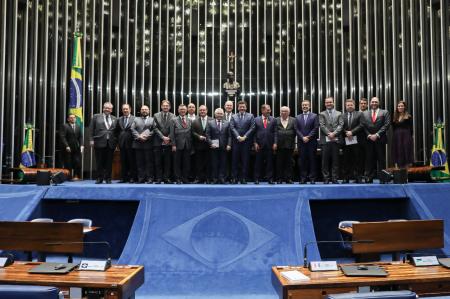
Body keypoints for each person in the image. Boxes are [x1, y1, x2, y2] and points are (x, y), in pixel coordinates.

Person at [361, 97, 391, 183]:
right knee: (369, 159)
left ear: (379, 103)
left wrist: (377, 135)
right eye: (372, 102)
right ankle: (369, 178)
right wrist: (369, 135)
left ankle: (383, 178)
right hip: (369, 140)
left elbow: (386, 125)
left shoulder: (385, 112)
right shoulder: (365, 113)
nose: (374, 103)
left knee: (381, 159)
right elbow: (363, 125)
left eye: (376, 102)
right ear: (370, 103)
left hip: (380, 139)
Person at [89, 102, 117, 184]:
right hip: (99, 142)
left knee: (109, 162)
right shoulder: (96, 116)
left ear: (111, 110)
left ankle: (108, 178)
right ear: (103, 108)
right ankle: (99, 178)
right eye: (105, 107)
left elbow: (116, 132)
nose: (107, 109)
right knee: (99, 161)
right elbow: (91, 129)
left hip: (111, 143)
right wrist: (91, 140)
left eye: (109, 108)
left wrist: (116, 142)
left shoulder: (115, 118)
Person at [319, 97, 344, 184]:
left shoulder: (339, 113)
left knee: (335, 160)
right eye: (327, 102)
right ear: (325, 104)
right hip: (326, 140)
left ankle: (334, 178)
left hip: (336, 140)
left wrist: (334, 134)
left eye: (330, 102)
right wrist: (329, 134)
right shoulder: (321, 114)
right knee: (325, 161)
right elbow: (322, 125)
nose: (328, 104)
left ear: (333, 103)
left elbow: (341, 125)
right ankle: (326, 178)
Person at [229, 100, 255, 184]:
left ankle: (244, 178)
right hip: (236, 142)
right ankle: (234, 178)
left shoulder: (251, 116)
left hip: (246, 142)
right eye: (240, 107)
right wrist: (238, 136)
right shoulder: (233, 116)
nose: (242, 108)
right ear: (238, 108)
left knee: (245, 161)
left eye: (243, 107)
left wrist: (245, 137)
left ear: (246, 107)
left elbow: (252, 128)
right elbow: (232, 128)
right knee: (234, 161)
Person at [295, 100, 319, 184]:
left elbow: (316, 128)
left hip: (311, 142)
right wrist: (302, 137)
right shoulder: (297, 117)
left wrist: (308, 137)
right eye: (303, 105)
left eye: (306, 105)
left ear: (309, 106)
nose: (304, 106)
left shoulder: (315, 116)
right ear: (301, 106)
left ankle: (312, 178)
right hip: (301, 143)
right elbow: (296, 129)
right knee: (302, 161)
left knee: (312, 160)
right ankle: (303, 178)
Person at [206, 108, 231, 184]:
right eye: (218, 113)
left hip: (224, 146)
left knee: (223, 164)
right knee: (214, 163)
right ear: (215, 114)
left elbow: (230, 136)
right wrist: (211, 143)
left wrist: (229, 144)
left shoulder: (227, 123)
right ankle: (214, 179)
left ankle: (222, 178)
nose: (219, 115)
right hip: (214, 146)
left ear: (223, 114)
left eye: (221, 113)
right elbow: (207, 135)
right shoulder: (210, 123)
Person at [131, 105, 155, 183]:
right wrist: (139, 136)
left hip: (149, 144)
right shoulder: (136, 119)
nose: (144, 111)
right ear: (140, 111)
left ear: (149, 111)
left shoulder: (153, 119)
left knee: (149, 162)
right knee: (139, 162)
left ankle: (149, 178)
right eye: (143, 109)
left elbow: (155, 130)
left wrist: (147, 136)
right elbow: (132, 129)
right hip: (138, 144)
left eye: (146, 109)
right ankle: (141, 178)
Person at [253, 104, 276, 184]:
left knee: (270, 163)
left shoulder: (273, 119)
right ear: (262, 110)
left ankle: (270, 179)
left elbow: (275, 132)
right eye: (268, 109)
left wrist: (275, 143)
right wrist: (255, 143)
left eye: (269, 109)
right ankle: (256, 179)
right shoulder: (256, 120)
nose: (269, 111)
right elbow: (254, 133)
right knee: (258, 163)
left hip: (270, 145)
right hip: (259, 145)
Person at [342, 99, 363, 183]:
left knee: (357, 159)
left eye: (351, 105)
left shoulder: (359, 114)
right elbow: (340, 126)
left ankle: (358, 177)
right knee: (346, 160)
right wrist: (346, 132)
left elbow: (361, 125)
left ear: (354, 105)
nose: (349, 106)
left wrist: (352, 132)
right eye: (348, 105)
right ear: (345, 106)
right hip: (346, 140)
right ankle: (345, 178)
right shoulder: (342, 115)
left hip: (357, 140)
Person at [153, 100, 175, 184]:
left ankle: (166, 178)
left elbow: (173, 128)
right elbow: (155, 128)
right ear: (161, 106)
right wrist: (163, 137)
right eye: (164, 106)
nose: (165, 107)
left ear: (169, 107)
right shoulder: (156, 115)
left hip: (168, 142)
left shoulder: (173, 116)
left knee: (167, 162)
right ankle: (158, 178)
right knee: (157, 161)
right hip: (158, 141)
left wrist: (168, 138)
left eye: (167, 106)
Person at [170, 104, 193, 184]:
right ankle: (177, 178)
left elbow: (190, 133)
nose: (182, 111)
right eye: (181, 109)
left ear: (186, 110)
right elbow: (172, 134)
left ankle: (185, 178)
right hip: (177, 145)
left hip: (187, 145)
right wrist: (173, 145)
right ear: (178, 110)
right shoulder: (174, 120)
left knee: (186, 163)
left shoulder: (189, 120)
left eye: (184, 109)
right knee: (177, 163)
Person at [275, 106, 296, 184]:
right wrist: (275, 143)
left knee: (289, 163)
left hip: (290, 145)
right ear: (280, 112)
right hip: (279, 146)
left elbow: (295, 131)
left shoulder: (294, 120)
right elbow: (274, 132)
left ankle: (288, 178)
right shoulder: (276, 120)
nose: (284, 112)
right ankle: (279, 179)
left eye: (286, 111)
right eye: (282, 111)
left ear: (289, 112)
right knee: (279, 163)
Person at [191, 105, 212, 183]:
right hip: (198, 145)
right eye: (201, 110)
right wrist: (198, 136)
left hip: (209, 145)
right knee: (198, 163)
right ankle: (199, 178)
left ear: (207, 111)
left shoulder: (211, 120)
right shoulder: (194, 121)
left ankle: (208, 178)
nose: (202, 111)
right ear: (199, 111)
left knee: (208, 163)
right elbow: (192, 132)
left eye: (204, 110)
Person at [60, 114, 83, 180]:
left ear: (75, 119)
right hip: (67, 148)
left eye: (74, 118)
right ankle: (68, 177)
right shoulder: (65, 126)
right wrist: (66, 146)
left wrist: (81, 145)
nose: (73, 119)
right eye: (71, 118)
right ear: (68, 119)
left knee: (77, 162)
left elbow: (80, 137)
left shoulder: (78, 126)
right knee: (68, 162)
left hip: (76, 148)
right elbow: (62, 137)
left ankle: (76, 176)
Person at [117, 104, 136, 183]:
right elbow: (117, 132)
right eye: (124, 109)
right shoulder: (119, 119)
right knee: (123, 161)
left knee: (132, 162)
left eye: (126, 109)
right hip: (122, 144)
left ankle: (132, 178)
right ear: (122, 110)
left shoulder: (135, 119)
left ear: (130, 109)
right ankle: (123, 178)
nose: (125, 110)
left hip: (132, 144)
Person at [392, 100, 413, 168]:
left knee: (406, 151)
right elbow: (393, 128)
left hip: (406, 136)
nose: (400, 107)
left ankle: (407, 169)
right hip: (397, 136)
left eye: (402, 106)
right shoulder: (395, 117)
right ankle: (399, 169)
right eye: (399, 106)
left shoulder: (408, 116)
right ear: (397, 107)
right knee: (398, 151)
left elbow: (411, 128)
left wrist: (410, 137)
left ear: (404, 107)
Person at [358, 98, 369, 179]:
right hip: (357, 139)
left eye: (365, 103)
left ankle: (367, 176)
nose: (363, 105)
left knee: (368, 158)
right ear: (359, 104)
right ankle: (359, 176)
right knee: (358, 159)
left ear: (367, 104)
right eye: (361, 103)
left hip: (368, 139)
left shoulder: (370, 113)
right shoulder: (356, 114)